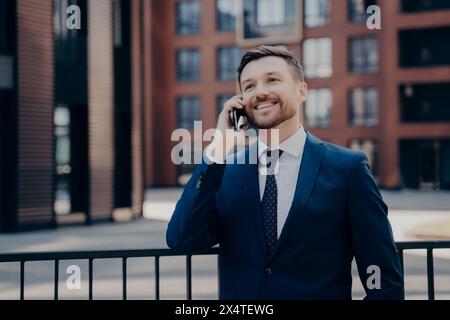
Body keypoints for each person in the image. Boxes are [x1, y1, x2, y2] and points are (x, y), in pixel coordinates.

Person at [166, 45, 404, 300]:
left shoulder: (348, 169)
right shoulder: (225, 170)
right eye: (249, 86)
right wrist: (216, 153)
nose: (261, 91)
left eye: (272, 79)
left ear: (302, 91)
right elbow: (182, 239)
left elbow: (384, 281)